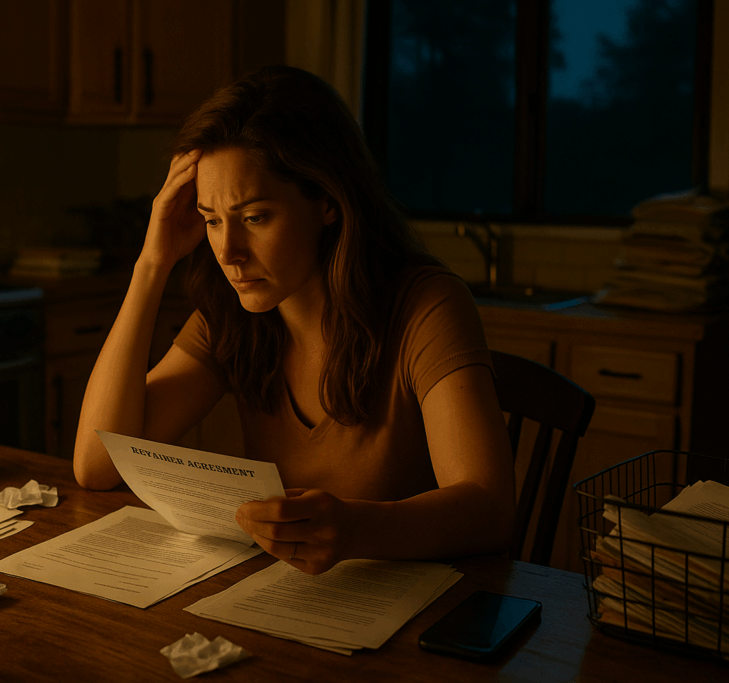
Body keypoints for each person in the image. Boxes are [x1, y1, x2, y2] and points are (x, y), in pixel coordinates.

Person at [73, 65, 515, 575]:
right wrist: (152, 265)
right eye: (212, 220)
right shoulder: (232, 317)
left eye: (255, 217)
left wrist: (355, 529)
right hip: (285, 603)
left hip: (411, 615)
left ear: (327, 201)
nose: (228, 252)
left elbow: (490, 510)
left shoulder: (426, 306)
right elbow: (97, 464)